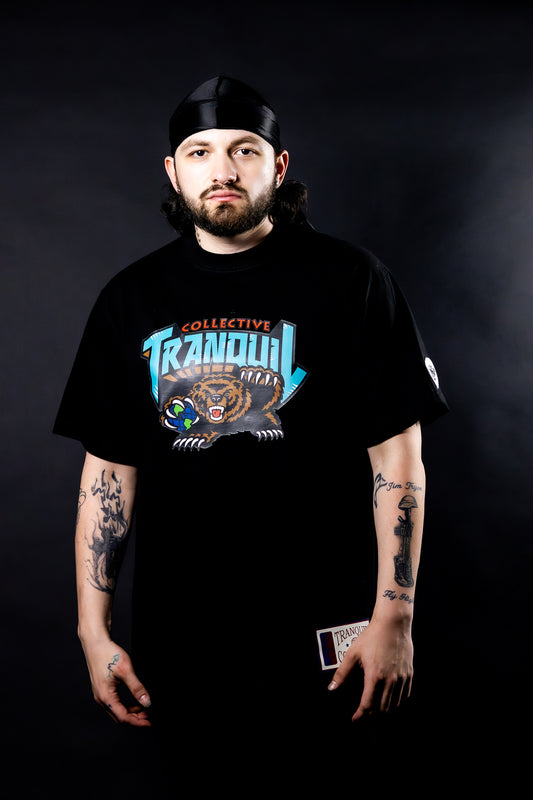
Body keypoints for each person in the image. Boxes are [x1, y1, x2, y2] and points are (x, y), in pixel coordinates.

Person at [54, 75, 448, 791]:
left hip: (331, 631)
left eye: (244, 149)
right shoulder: (130, 297)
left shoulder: (352, 280)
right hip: (181, 638)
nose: (223, 170)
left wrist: (395, 617)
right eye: (200, 152)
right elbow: (108, 474)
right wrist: (93, 631)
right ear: (173, 171)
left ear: (279, 165)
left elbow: (398, 457)